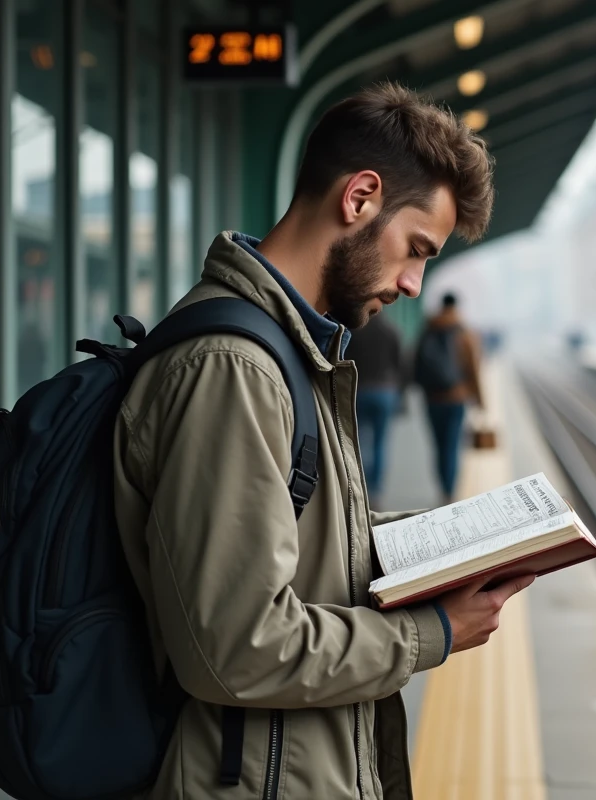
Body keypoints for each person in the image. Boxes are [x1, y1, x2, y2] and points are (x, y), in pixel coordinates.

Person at [112, 83, 532, 800]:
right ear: (361, 197)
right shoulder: (234, 368)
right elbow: (236, 648)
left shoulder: (288, 352)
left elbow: (299, 539)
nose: (411, 282)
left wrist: (454, 544)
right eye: (417, 250)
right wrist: (430, 632)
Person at [414, 293, 484, 504]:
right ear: (456, 306)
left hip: (432, 398)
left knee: (438, 445)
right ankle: (450, 492)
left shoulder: (428, 329)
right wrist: (480, 400)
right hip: (456, 397)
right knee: (452, 445)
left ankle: (443, 489)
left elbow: (416, 362)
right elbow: (473, 369)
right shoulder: (464, 332)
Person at [343, 311, 404, 499]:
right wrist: (401, 394)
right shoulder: (392, 330)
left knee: (358, 440)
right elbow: (400, 364)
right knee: (380, 441)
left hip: (360, 390)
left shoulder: (356, 332)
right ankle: (375, 489)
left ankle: (358, 483)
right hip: (385, 392)